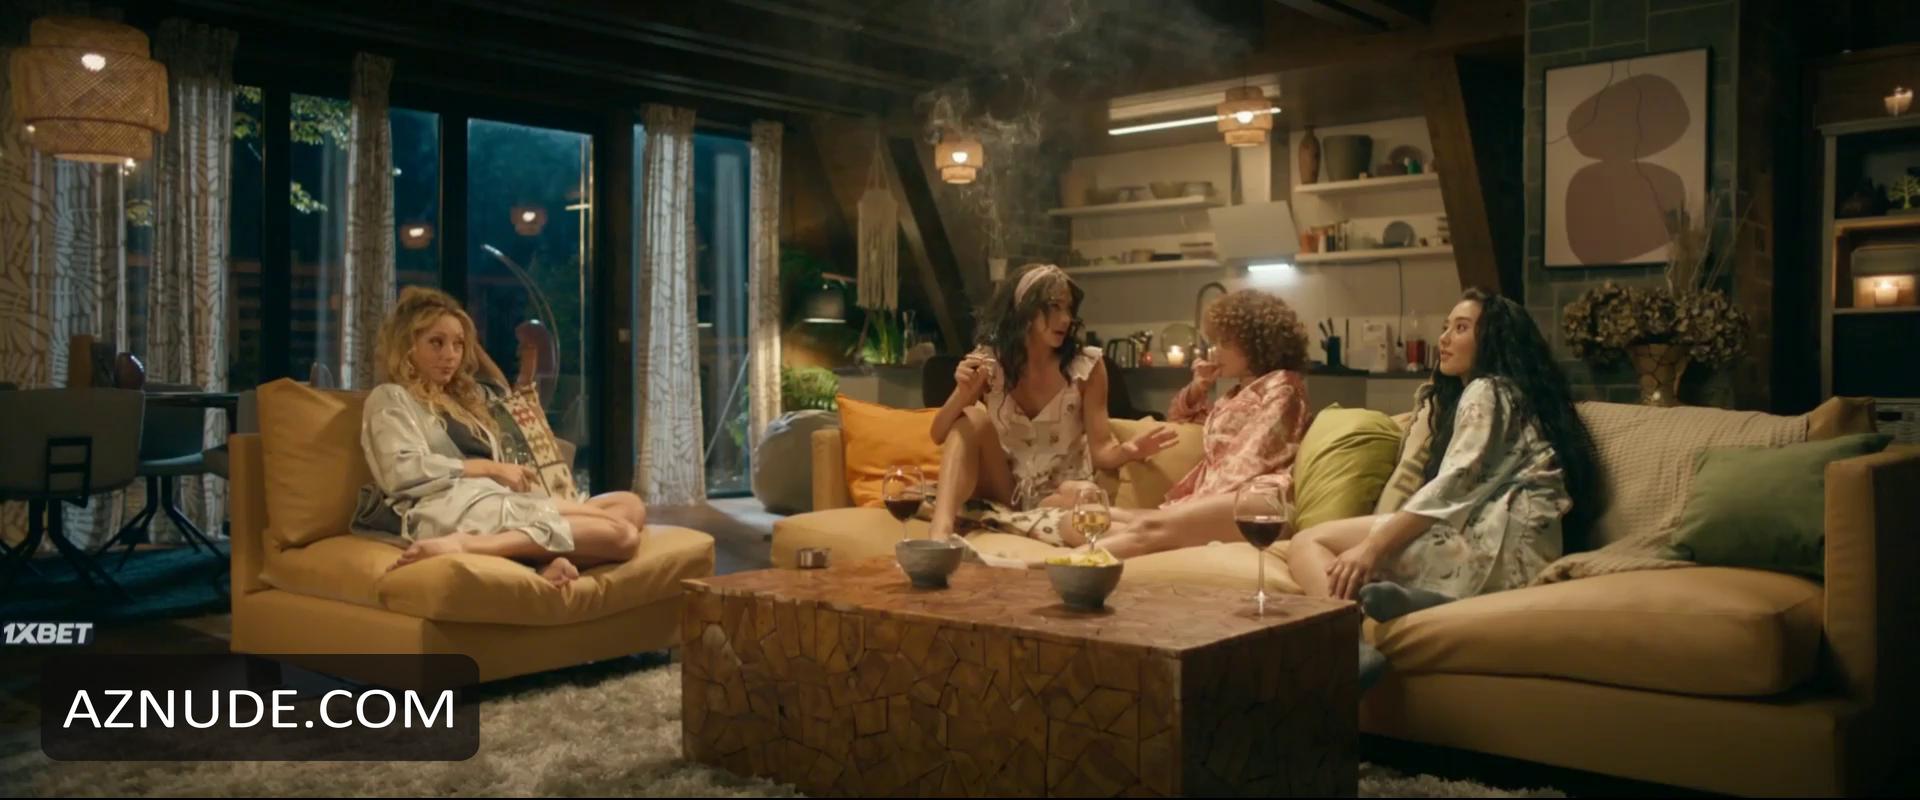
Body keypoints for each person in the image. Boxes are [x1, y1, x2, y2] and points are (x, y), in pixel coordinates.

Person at [1283, 288, 1601, 688]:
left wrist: (1372, 547)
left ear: (1492, 339)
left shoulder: (1487, 390)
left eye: (1461, 328)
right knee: (1349, 552)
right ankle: (1423, 601)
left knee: (1307, 542)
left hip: (1490, 545)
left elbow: (1454, 482)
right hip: (1522, 555)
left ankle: (1349, 646)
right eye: (1446, 327)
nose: (1444, 338)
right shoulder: (1516, 396)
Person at [357, 287, 648, 587]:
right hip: (448, 507)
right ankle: (467, 545)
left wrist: (464, 331)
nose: (450, 355)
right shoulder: (391, 397)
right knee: (623, 536)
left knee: (630, 506)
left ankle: (537, 560)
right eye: (436, 342)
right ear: (407, 346)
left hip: (495, 498)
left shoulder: (464, 399)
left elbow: (501, 388)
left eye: (458, 344)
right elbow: (400, 471)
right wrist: (489, 468)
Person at [926, 263, 1179, 542]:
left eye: (1068, 308)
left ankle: (1157, 531)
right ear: (1024, 309)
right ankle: (939, 534)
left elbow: (1102, 450)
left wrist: (1129, 450)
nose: (1065, 319)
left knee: (1082, 494)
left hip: (1059, 494)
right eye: (1054, 307)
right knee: (973, 417)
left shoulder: (1086, 367)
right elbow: (938, 434)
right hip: (1005, 490)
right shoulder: (989, 361)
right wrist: (964, 393)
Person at [1088, 289, 1312, 559]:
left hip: (1255, 497)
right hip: (1216, 496)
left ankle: (1056, 564)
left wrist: (1195, 503)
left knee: (1142, 526)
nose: (1214, 350)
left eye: (1224, 342)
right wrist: (1198, 388)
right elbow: (1180, 423)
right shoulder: (1235, 393)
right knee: (1096, 519)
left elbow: (1254, 457)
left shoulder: (1283, 386)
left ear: (1254, 344)